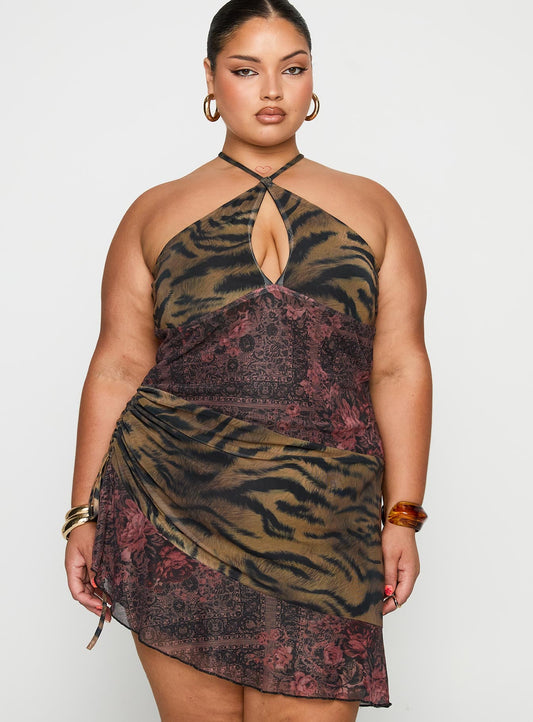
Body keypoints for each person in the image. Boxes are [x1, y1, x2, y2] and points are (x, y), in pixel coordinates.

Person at [64, 1, 432, 720]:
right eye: (245, 70)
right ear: (210, 77)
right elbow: (117, 367)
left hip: (325, 520)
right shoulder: (153, 211)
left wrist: (403, 515)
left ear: (312, 79)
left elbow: (399, 365)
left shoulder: (374, 208)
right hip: (173, 508)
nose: (271, 90)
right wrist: (83, 512)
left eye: (292, 69)